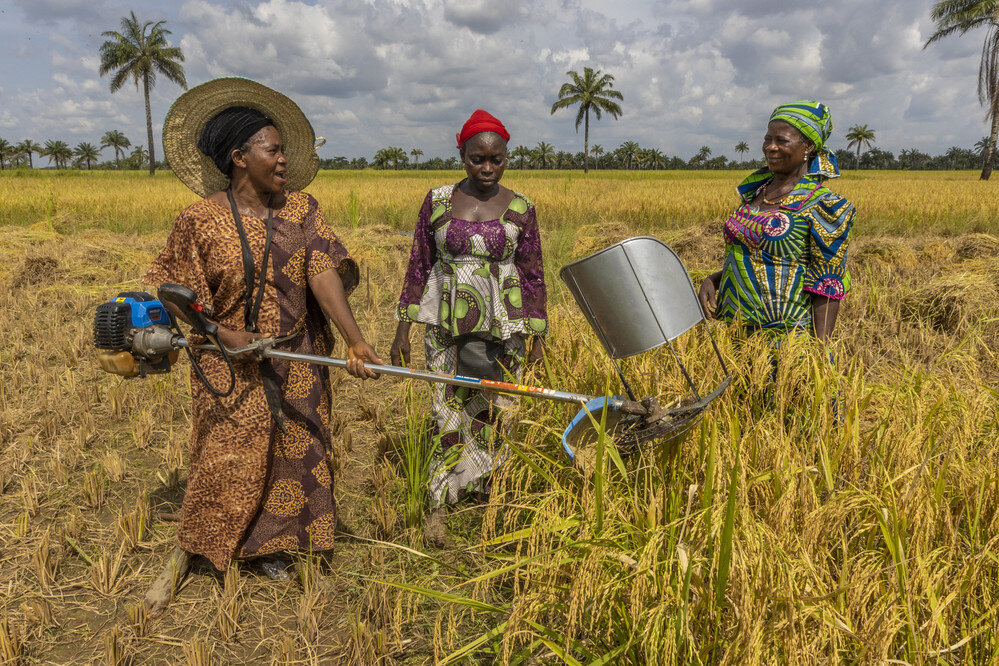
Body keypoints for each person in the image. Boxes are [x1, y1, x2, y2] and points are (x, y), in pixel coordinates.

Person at [141, 78, 382, 617]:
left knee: (298, 450)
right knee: (224, 456)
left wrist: (356, 340)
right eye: (273, 150)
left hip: (296, 355)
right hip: (225, 364)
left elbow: (322, 269)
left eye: (283, 150)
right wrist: (223, 335)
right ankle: (188, 552)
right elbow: (175, 291)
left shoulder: (301, 209)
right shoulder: (198, 220)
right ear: (238, 156)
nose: (283, 160)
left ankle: (278, 549)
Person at [390, 109, 547, 543]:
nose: (487, 168)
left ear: (507, 158)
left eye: (497, 159)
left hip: (503, 322)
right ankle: (440, 502)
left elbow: (532, 273)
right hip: (444, 318)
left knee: (498, 405)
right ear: (462, 155)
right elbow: (419, 262)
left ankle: (490, 492)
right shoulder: (437, 199)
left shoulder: (521, 208)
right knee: (445, 404)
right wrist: (403, 327)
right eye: (478, 158)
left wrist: (537, 338)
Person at [698, 101, 854, 342]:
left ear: (808, 146)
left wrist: (822, 353)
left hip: (785, 339)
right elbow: (756, 256)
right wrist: (715, 279)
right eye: (767, 139)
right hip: (732, 331)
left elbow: (827, 283)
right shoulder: (755, 193)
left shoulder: (824, 204)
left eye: (782, 141)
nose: (771, 147)